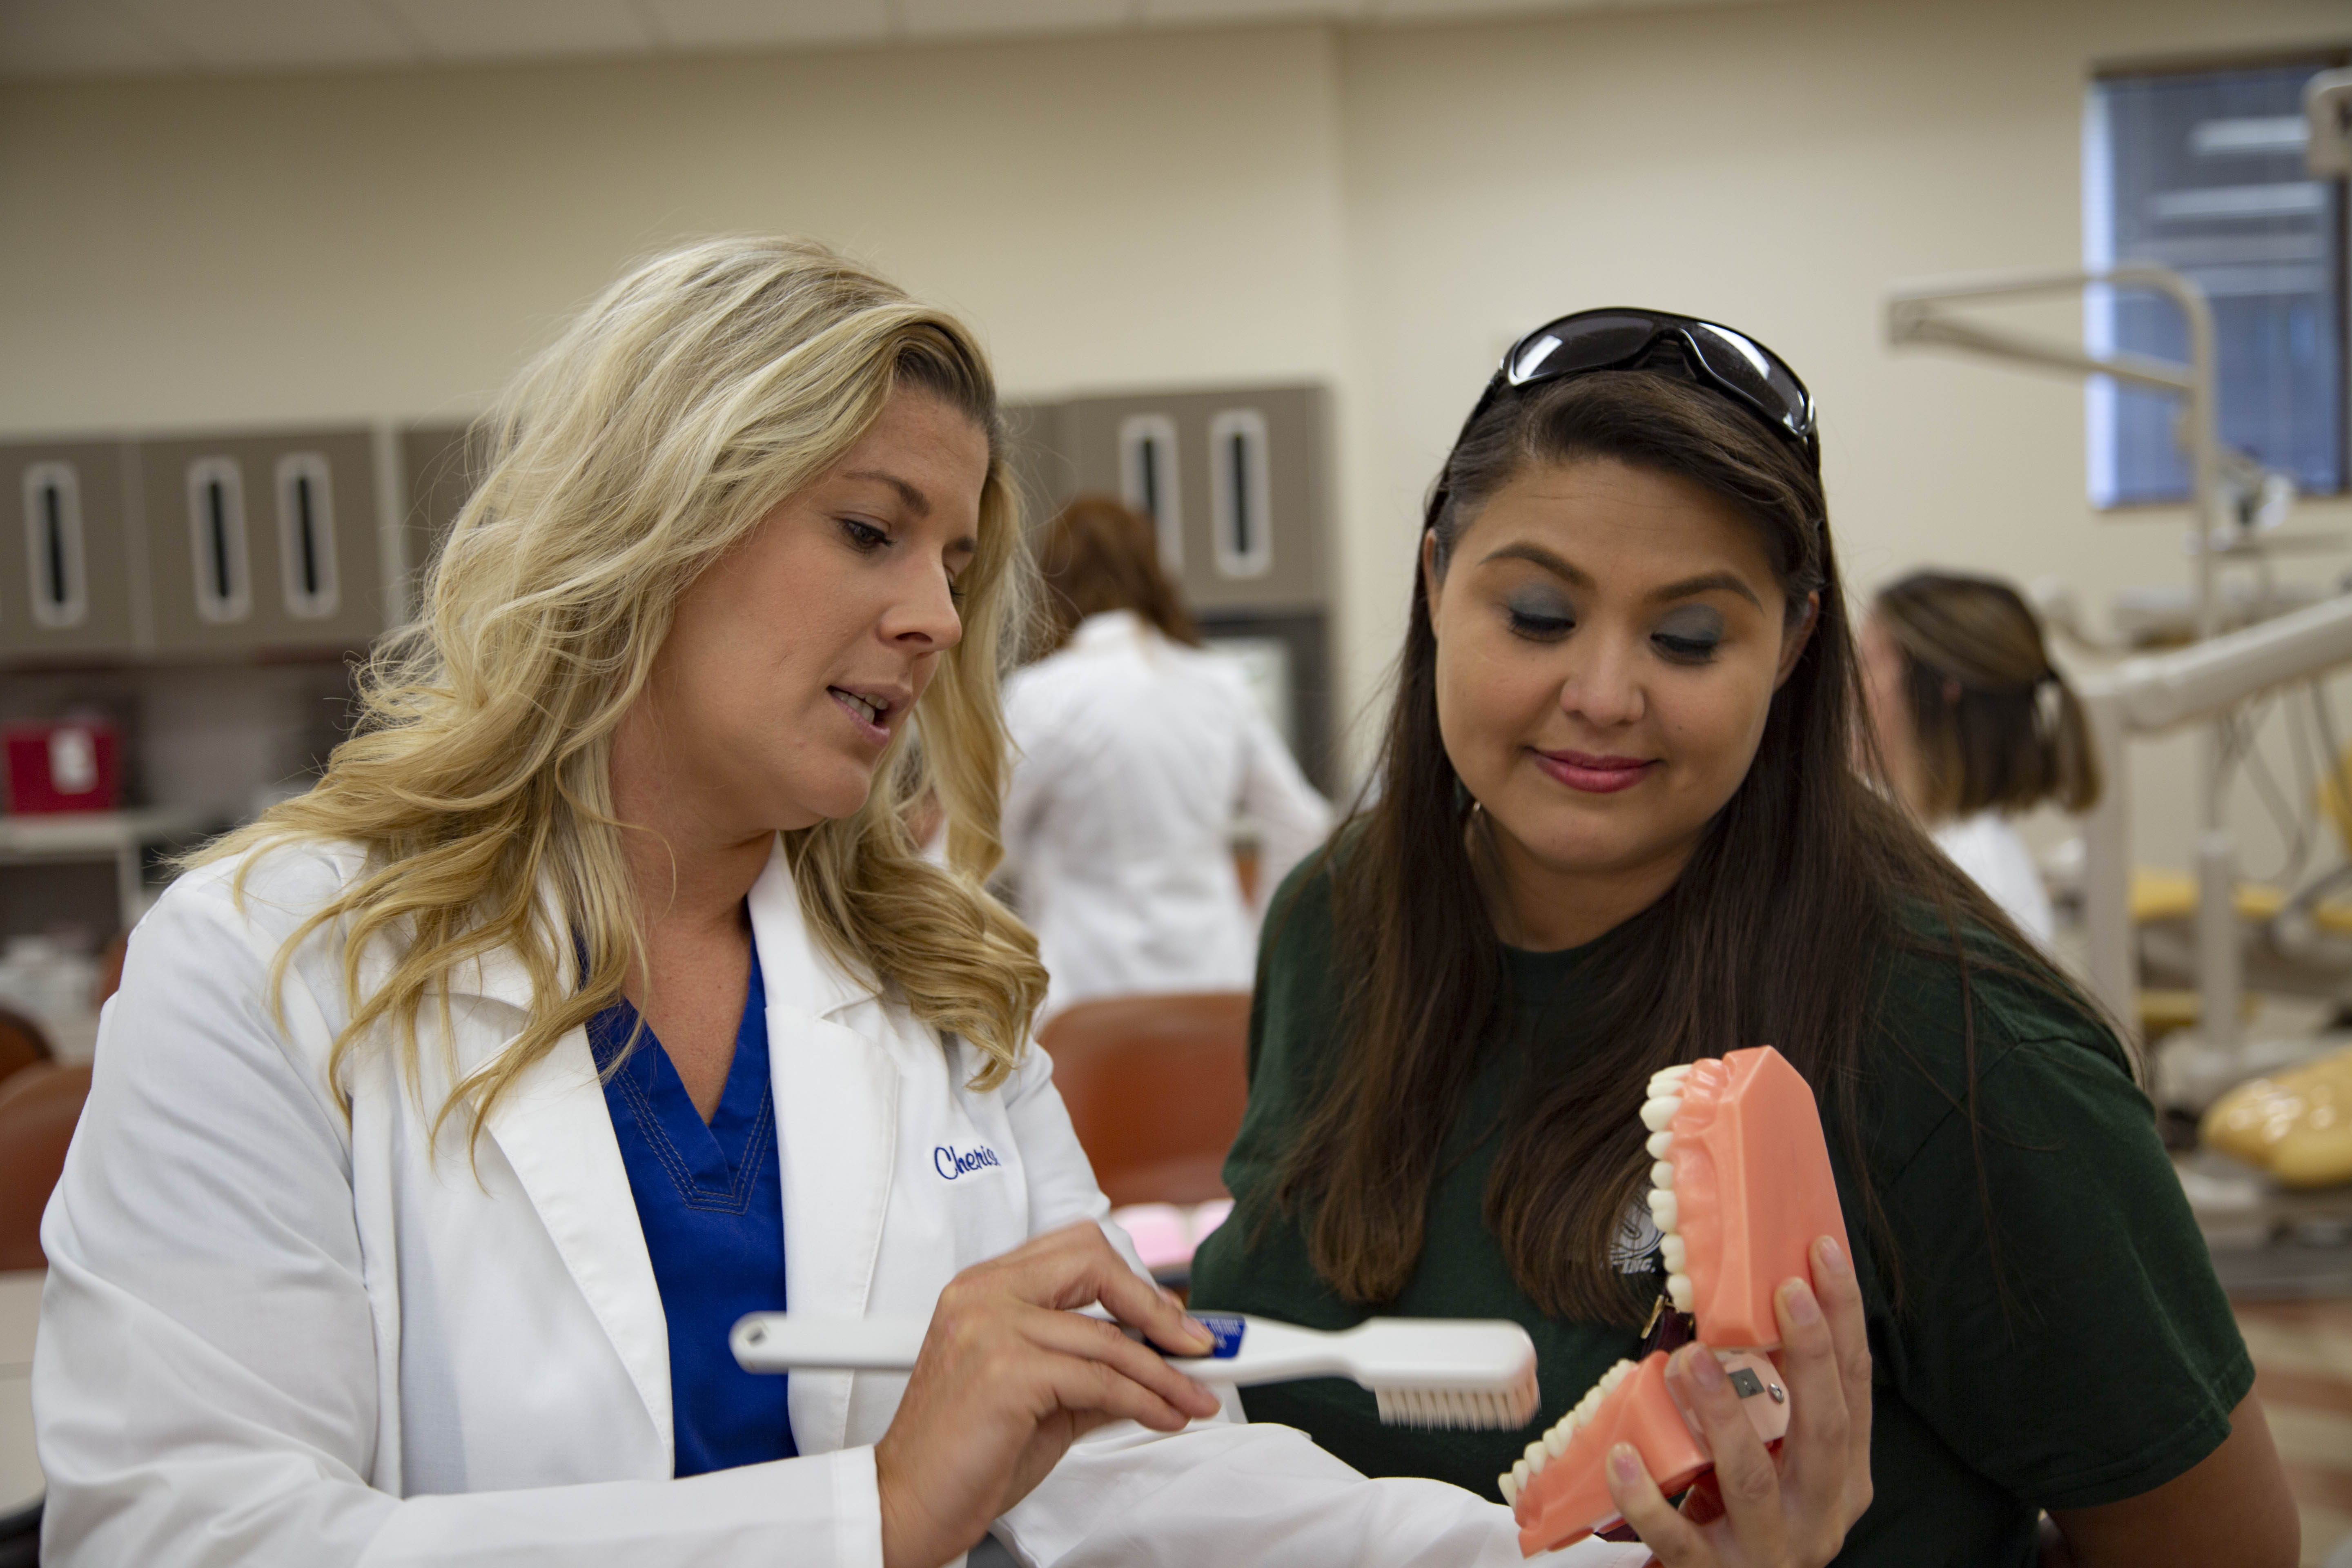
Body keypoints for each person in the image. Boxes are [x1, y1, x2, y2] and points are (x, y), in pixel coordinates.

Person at [30, 244, 1865, 1568]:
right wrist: (875, 1517)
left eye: (958, 557)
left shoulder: (919, 990)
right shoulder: (275, 962)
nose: (933, 612)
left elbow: (1136, 1478)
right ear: (653, 515)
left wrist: (1583, 1559)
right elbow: (190, 1532)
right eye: (870, 527)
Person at [1188, 308, 2299, 1567]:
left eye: (1690, 636)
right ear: (1439, 582)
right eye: (1541, 613)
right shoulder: (1338, 919)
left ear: (1794, 641)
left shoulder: (1953, 1042)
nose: (1604, 693)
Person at [1002, 496, 1329, 1018]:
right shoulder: (1220, 686)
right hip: (1219, 990)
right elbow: (1302, 825)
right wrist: (1258, 949)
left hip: (1084, 1004)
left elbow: (976, 848)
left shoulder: (1040, 697)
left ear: (1051, 586)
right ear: (1156, 572)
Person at [1857, 571, 2098, 949]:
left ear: (1940, 691)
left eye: (1866, 662)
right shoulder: (1902, 838)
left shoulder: (1972, 884)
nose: (1845, 685)